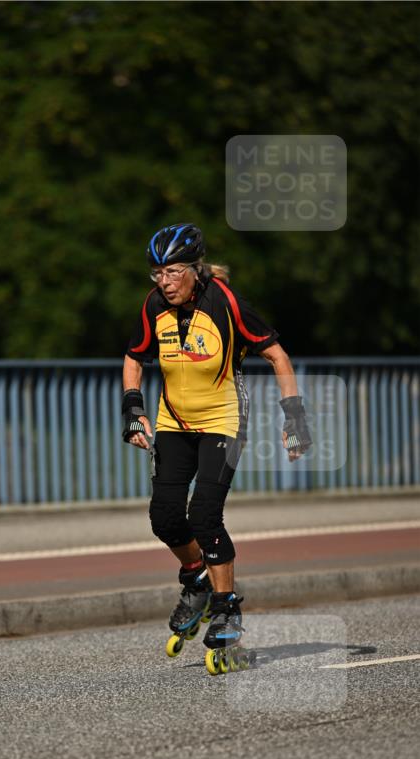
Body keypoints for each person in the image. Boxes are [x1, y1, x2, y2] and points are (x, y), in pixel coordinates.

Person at [121, 223, 312, 666]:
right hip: (174, 420)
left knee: (204, 516)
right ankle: (196, 580)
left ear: (194, 269)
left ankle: (226, 610)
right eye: (156, 274)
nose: (163, 282)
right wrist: (134, 409)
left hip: (224, 418)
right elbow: (134, 357)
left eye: (171, 272)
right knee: (165, 517)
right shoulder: (153, 306)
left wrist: (295, 417)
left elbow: (277, 354)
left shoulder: (224, 301)